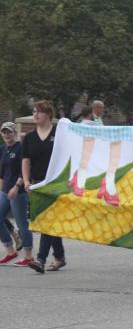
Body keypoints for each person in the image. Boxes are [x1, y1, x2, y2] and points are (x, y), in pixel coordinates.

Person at [23, 100, 65, 274]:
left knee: (48, 222)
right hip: (38, 184)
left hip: (56, 184)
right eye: (34, 111)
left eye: (39, 111)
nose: (35, 115)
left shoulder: (60, 134)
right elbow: (25, 160)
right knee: (50, 222)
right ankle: (59, 257)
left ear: (48, 114)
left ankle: (40, 259)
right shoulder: (30, 137)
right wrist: (26, 181)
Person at [0, 122, 32, 266]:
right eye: (4, 132)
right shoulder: (2, 149)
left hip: (18, 191)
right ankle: (10, 251)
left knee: (21, 224)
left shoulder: (21, 147)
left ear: (15, 133)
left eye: (9, 132)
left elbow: (23, 170)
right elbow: (2, 174)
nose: (7, 135)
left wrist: (16, 186)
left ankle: (28, 255)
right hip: (5, 191)